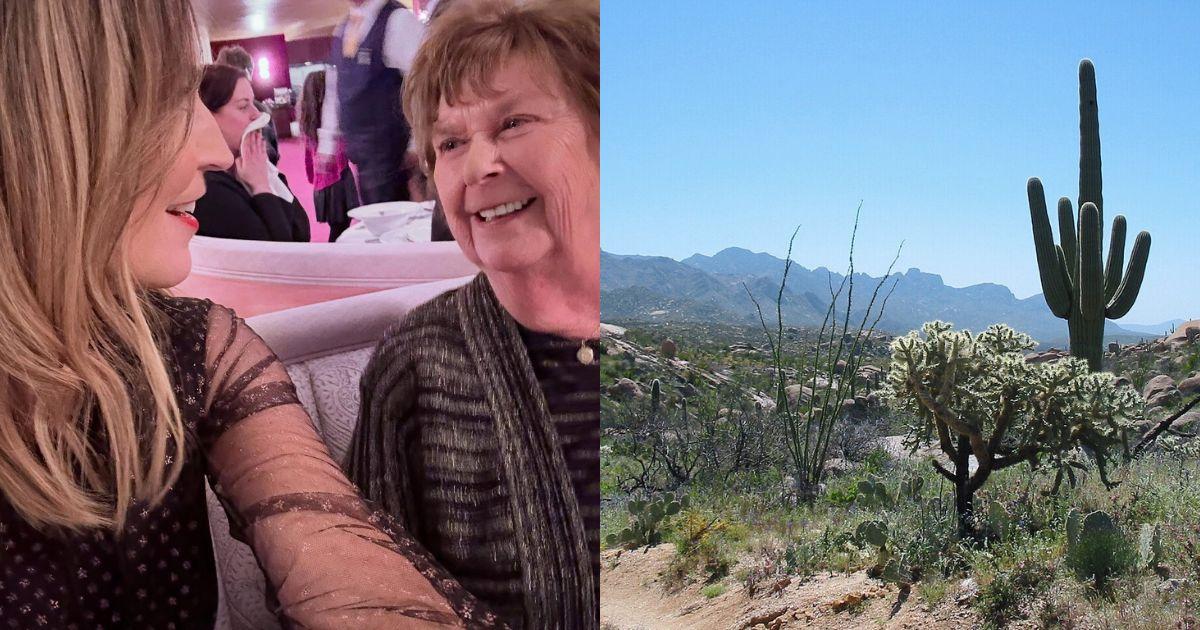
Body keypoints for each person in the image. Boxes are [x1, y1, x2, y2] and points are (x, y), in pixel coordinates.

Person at [0, 2, 503, 627]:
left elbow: (336, 551)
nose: (217, 149)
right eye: (169, 100)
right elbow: (288, 234)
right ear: (40, 125)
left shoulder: (192, 350)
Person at [345, 1, 600, 628]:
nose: (478, 167)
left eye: (512, 123)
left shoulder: (700, 340)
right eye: (451, 143)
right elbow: (373, 604)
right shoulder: (417, 367)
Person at [318, 0, 425, 204]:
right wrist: (327, 143)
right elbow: (334, 90)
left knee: (399, 218)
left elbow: (425, 83)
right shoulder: (343, 29)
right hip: (361, 154)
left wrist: (418, 143)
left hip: (396, 154)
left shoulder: (397, 21)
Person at [194, 64, 311, 242]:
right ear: (207, 116)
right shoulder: (208, 188)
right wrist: (261, 186)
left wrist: (265, 176)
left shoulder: (249, 166)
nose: (256, 114)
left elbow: (301, 229)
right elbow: (282, 249)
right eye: (243, 106)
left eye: (253, 103)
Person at [300, 70, 360, 242]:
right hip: (338, 183)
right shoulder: (333, 126)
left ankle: (336, 253)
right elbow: (346, 154)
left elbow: (308, 159)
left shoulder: (309, 123)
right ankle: (335, 255)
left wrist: (314, 179)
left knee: (337, 228)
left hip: (323, 186)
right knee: (339, 230)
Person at [214, 44, 281, 164]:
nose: (255, 114)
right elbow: (272, 155)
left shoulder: (260, 110)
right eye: (242, 107)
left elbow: (271, 155)